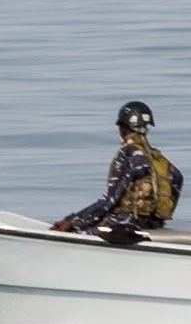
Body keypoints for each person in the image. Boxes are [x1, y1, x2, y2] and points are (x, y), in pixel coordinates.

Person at [52, 100, 183, 233]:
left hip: (124, 224)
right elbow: (178, 178)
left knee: (79, 229)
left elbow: (109, 201)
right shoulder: (161, 161)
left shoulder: (128, 154)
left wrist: (72, 221)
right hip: (154, 226)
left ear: (122, 127)